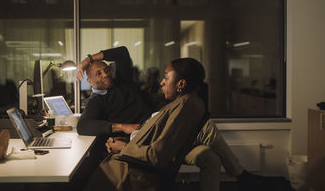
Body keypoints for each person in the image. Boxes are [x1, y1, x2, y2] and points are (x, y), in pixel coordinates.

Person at [76, 47, 264, 191]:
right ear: (89, 81)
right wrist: (123, 128)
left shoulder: (122, 82)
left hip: (163, 133)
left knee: (210, 155)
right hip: (147, 142)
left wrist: (89, 60)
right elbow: (83, 126)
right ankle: (240, 174)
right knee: (208, 138)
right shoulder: (96, 101)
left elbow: (122, 53)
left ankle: (240, 174)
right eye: (98, 73)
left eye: (106, 69)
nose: (106, 73)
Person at [85, 57, 207, 191]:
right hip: (132, 162)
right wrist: (129, 139)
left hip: (134, 173)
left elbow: (157, 155)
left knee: (78, 176)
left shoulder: (184, 107)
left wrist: (124, 147)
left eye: (166, 77)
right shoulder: (180, 103)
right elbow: (155, 137)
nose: (161, 82)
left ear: (181, 84)